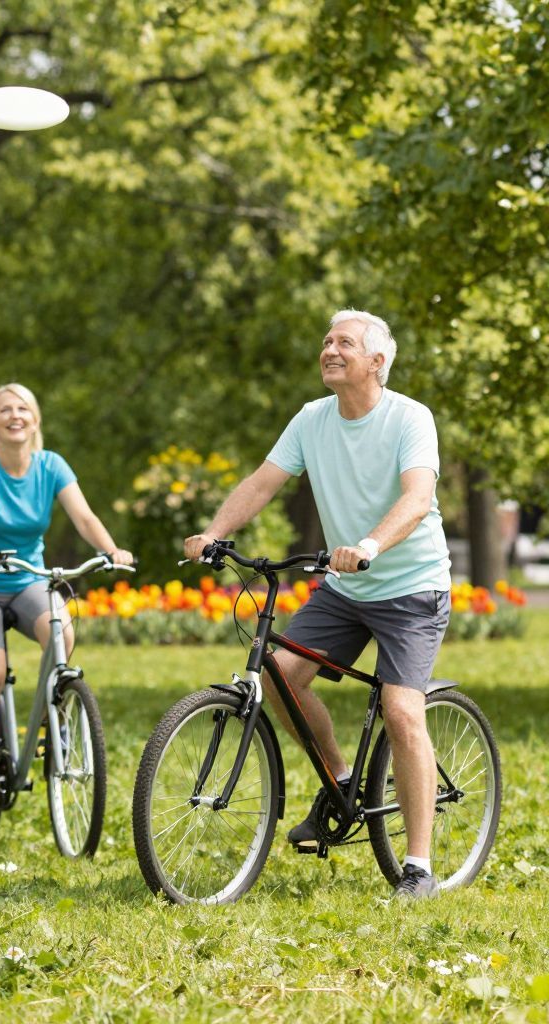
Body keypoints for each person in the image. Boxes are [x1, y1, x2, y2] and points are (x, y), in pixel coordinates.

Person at [184, 309, 451, 900]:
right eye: (327, 341)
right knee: (279, 676)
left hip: (412, 587)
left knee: (401, 711)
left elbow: (417, 498)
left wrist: (370, 546)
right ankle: (342, 782)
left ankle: (418, 866)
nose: (329, 349)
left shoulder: (409, 417)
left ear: (376, 361)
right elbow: (263, 481)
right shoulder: (312, 419)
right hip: (346, 589)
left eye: (344, 343)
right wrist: (214, 533)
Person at [0, 383, 133, 799]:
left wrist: (110, 550)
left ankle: (55, 721)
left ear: (35, 421)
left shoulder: (51, 466)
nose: (15, 415)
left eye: (23, 409)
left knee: (62, 633)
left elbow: (84, 517)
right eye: (5, 410)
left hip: (28, 579)